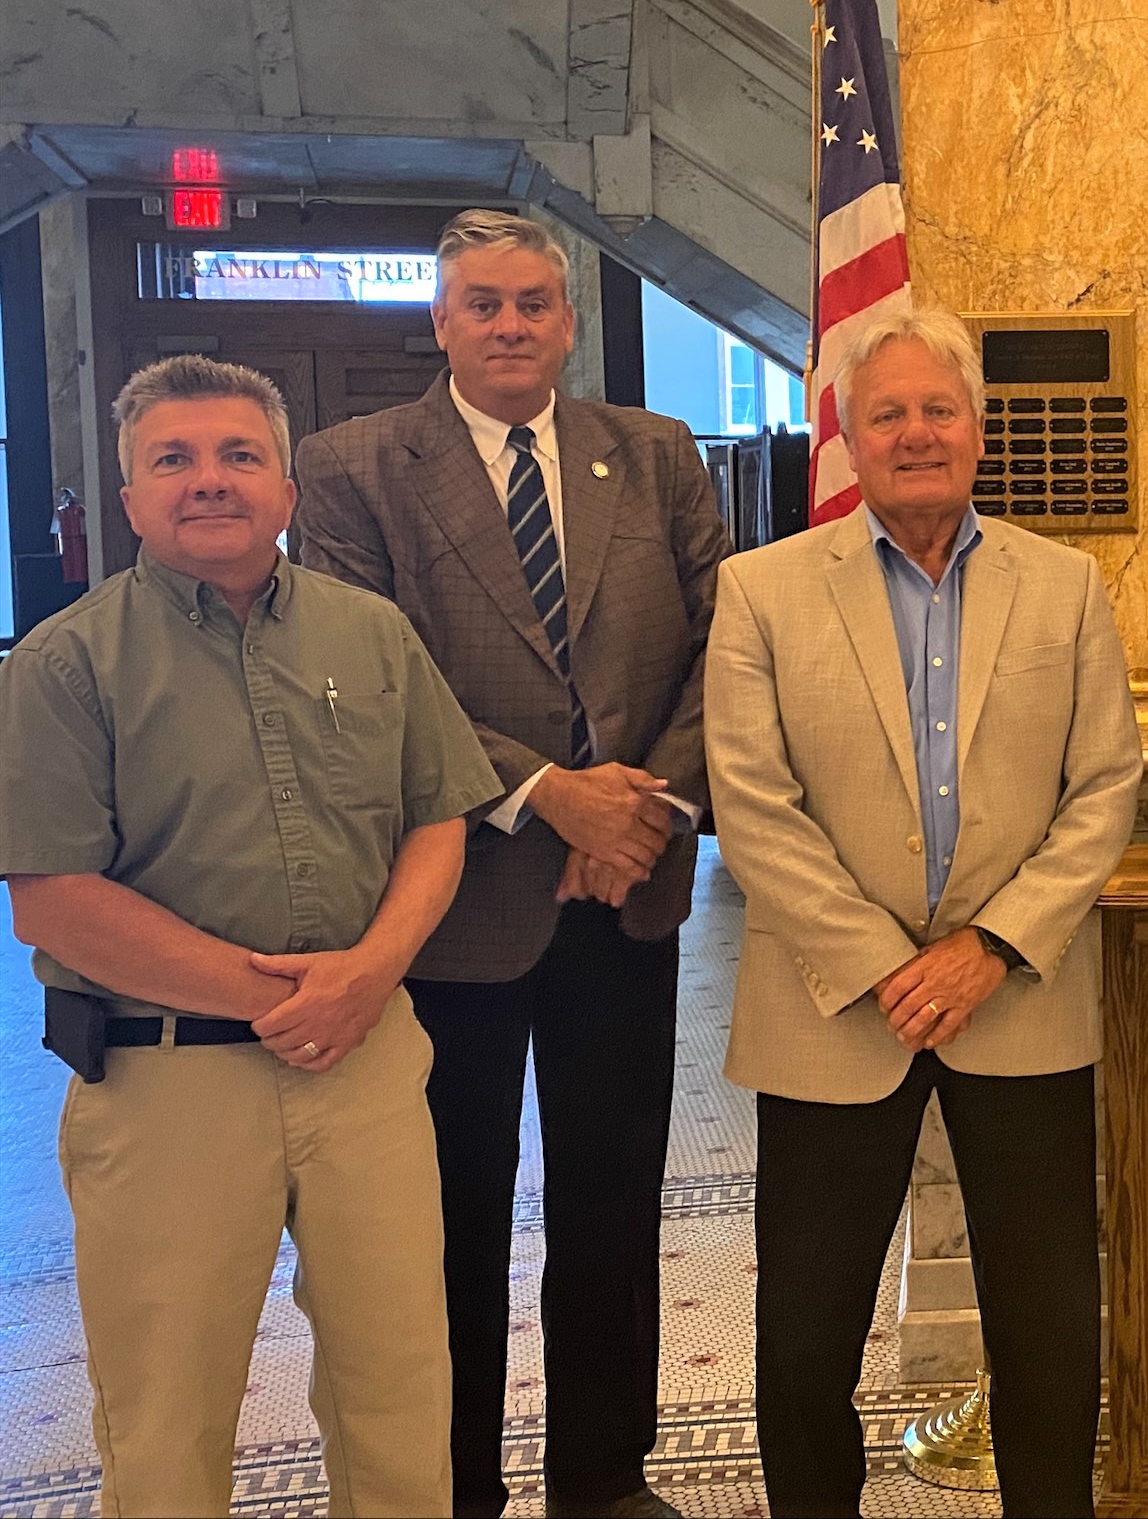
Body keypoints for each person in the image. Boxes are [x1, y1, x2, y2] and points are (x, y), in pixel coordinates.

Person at [0, 357, 501, 1517]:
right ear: (129, 496)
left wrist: (370, 974)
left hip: (366, 1068)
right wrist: (283, 996)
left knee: (400, 1393)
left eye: (239, 455)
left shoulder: (370, 633)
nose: (209, 480)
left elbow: (437, 820)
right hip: (167, 1086)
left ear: (286, 488)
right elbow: (55, 898)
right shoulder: (64, 664)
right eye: (172, 459)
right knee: (167, 1415)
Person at [294, 210, 730, 1519]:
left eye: (534, 302)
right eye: (481, 303)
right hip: (452, 901)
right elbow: (372, 674)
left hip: (626, 887)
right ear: (439, 323)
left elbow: (727, 643)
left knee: (613, 1199)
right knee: (451, 1212)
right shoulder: (353, 467)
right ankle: (456, 1487)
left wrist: (645, 812)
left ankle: (604, 1479)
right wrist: (551, 796)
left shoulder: (653, 454)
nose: (509, 325)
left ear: (569, 320)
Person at [706, 305, 1141, 1519]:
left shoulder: (1065, 586)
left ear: (978, 430)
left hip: (1020, 1001)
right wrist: (889, 966)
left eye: (939, 410)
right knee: (807, 1331)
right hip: (833, 1009)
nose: (916, 434)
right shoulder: (761, 590)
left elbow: (1103, 787)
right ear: (846, 437)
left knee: (1050, 1325)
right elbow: (751, 803)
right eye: (887, 413)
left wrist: (988, 949)